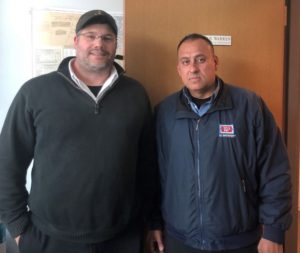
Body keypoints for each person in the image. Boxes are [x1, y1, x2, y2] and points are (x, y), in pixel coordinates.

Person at [0, 10, 156, 253]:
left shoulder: (135, 94)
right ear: (75, 41)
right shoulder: (35, 92)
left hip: (122, 236)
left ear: (115, 44)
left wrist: (152, 221)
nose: (98, 44)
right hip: (48, 238)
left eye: (107, 38)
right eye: (90, 36)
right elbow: (7, 162)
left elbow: (148, 165)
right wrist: (18, 227)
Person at [146, 34, 292, 253]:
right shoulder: (164, 112)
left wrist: (273, 230)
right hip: (180, 241)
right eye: (186, 62)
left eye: (200, 59)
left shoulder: (249, 106)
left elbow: (275, 170)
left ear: (215, 62)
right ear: (179, 68)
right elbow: (154, 174)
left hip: (239, 241)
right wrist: (154, 222)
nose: (193, 68)